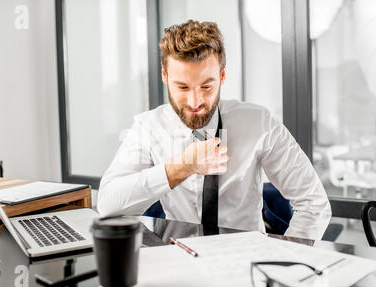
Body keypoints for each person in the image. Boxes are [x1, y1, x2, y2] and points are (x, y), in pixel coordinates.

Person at [97, 20, 331, 240]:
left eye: (206, 86)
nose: (195, 101)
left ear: (222, 76)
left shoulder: (259, 123)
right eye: (183, 87)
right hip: (176, 261)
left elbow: (314, 203)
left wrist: (285, 263)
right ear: (165, 77)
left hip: (246, 263)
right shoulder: (148, 128)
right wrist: (181, 167)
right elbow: (108, 205)